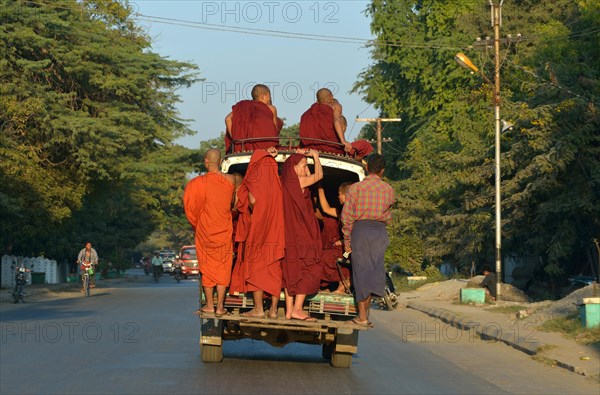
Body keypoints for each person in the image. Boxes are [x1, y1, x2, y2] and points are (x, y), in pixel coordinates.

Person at [229, 147, 285, 319]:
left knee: (256, 269)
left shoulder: (256, 177)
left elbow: (253, 201)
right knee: (274, 268)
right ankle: (274, 310)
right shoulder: (277, 182)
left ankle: (259, 309)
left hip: (259, 231)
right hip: (276, 232)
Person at [341, 154, 395, 327]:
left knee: (360, 272)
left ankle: (362, 317)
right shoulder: (388, 189)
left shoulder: (356, 188)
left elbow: (347, 217)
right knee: (373, 271)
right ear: (383, 170)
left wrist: (347, 240)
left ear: (366, 168)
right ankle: (366, 316)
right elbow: (388, 214)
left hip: (361, 231)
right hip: (380, 233)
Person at [183, 148, 236, 316]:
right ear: (220, 162)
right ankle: (220, 307)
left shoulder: (196, 183)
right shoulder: (230, 180)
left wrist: (198, 224)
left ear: (206, 161)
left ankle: (209, 306)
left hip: (205, 232)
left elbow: (190, 209)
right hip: (224, 232)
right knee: (223, 268)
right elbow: (232, 204)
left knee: (207, 269)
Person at [281, 149, 324, 321]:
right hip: (303, 234)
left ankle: (289, 310)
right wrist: (316, 156)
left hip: (289, 234)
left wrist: (303, 162)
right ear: (294, 167)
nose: (305, 169)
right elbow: (319, 176)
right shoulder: (298, 181)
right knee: (309, 268)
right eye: (303, 166)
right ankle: (299, 309)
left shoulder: (285, 181)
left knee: (290, 269)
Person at [317, 182, 354, 293]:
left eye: (340, 194)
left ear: (346, 195)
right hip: (340, 247)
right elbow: (326, 209)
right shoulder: (342, 211)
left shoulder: (355, 212)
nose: (338, 197)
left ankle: (345, 281)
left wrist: (343, 241)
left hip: (349, 248)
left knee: (324, 258)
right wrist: (319, 187)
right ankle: (326, 286)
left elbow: (356, 233)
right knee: (319, 256)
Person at [224, 84, 283, 153]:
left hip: (244, 148)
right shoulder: (271, 108)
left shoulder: (244, 107)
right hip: (268, 146)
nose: (269, 99)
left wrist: (237, 140)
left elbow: (227, 119)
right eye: (269, 96)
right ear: (263, 96)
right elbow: (275, 131)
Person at [299, 88, 352, 154]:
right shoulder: (335, 106)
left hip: (309, 147)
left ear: (318, 100)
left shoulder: (306, 113)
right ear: (331, 96)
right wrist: (343, 141)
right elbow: (337, 120)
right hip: (330, 147)